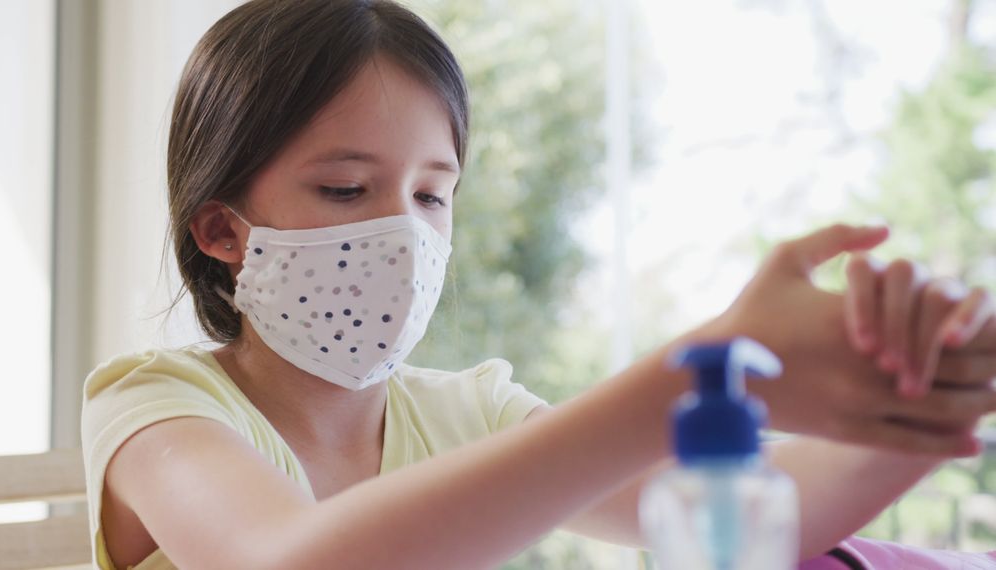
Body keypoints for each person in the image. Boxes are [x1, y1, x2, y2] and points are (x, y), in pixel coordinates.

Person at [80, 1, 996, 568]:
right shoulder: (155, 407)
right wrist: (688, 376)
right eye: (346, 189)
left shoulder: (469, 412)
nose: (402, 232)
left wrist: (932, 399)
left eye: (433, 194)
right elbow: (293, 564)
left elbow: (750, 517)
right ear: (221, 229)